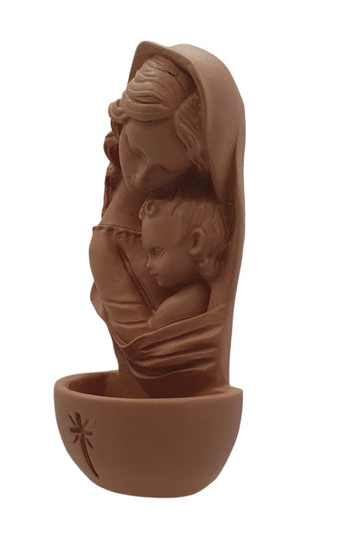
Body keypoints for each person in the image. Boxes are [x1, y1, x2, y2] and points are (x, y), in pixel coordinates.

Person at [89, 42, 245, 397]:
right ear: (121, 123)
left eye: (165, 168)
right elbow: (147, 354)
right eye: (136, 151)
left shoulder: (198, 217)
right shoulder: (108, 246)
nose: (141, 177)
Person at [139, 188, 228, 330]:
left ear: (196, 242)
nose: (148, 264)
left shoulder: (196, 297)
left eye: (157, 252)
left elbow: (155, 325)